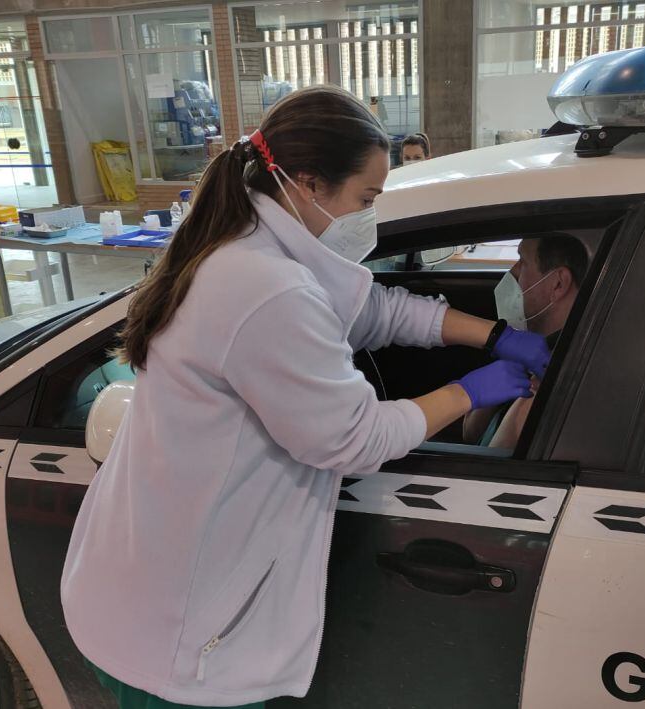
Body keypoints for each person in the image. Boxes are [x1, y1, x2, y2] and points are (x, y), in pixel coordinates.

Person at [60, 86, 554, 709]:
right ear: (308, 184)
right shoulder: (267, 288)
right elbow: (352, 439)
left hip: (147, 594)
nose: (369, 216)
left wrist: (494, 334)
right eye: (366, 199)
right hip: (184, 637)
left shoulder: (245, 247)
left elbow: (365, 307)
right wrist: (468, 390)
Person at [463, 234, 588, 449]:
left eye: (523, 262)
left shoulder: (563, 366)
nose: (512, 273)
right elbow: (470, 434)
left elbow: (491, 468)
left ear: (558, 283)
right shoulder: (526, 348)